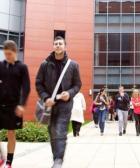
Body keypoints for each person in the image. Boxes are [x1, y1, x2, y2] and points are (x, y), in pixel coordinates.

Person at [36, 36, 81, 168]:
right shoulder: (45, 64)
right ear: (53, 46)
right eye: (55, 43)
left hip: (65, 104)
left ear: (64, 46)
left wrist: (70, 93)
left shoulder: (73, 65)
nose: (58, 45)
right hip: (50, 104)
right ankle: (57, 157)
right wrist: (45, 98)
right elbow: (39, 84)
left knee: (60, 130)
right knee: (52, 131)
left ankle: (58, 160)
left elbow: (77, 85)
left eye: (60, 43)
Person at [0, 40, 31, 168]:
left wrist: (22, 104)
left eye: (9, 54)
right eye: (5, 54)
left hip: (14, 106)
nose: (7, 57)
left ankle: (9, 162)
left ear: (15, 52)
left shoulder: (22, 67)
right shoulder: (0, 65)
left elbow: (26, 87)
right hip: (0, 105)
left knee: (11, 133)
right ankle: (2, 157)